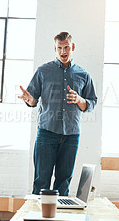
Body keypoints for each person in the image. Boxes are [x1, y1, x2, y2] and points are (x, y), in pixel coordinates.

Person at [18, 32, 97, 196]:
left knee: (64, 182)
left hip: (71, 135)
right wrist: (29, 100)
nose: (63, 51)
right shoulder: (43, 71)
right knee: (41, 181)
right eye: (59, 48)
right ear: (55, 48)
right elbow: (32, 100)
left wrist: (79, 99)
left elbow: (91, 103)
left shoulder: (83, 74)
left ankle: (59, 220)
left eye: (66, 47)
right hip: (47, 133)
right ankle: (37, 220)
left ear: (72, 47)